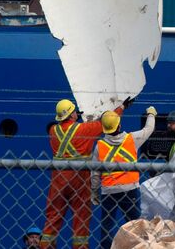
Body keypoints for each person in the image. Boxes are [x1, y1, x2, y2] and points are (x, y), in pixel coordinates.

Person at [40, 97, 134, 249]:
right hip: (79, 179)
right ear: (72, 115)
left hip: (58, 180)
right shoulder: (84, 129)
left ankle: (45, 246)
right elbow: (106, 122)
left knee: (53, 216)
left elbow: (63, 128)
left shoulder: (53, 131)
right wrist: (122, 107)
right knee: (81, 217)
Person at [92, 106, 157, 249]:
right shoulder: (132, 139)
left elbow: (95, 174)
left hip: (109, 191)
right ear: (119, 125)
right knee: (135, 224)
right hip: (130, 189)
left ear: (104, 128)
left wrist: (95, 193)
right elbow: (148, 129)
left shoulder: (100, 146)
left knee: (107, 226)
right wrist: (151, 114)